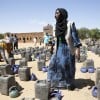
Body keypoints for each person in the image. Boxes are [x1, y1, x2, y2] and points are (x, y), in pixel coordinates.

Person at [47, 8, 82, 90]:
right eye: (55, 13)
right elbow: (54, 38)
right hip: (58, 48)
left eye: (57, 13)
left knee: (65, 66)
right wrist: (51, 47)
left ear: (62, 14)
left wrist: (78, 51)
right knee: (52, 65)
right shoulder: (56, 25)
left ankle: (68, 84)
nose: (55, 15)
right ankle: (55, 83)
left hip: (67, 49)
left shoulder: (70, 24)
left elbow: (76, 38)